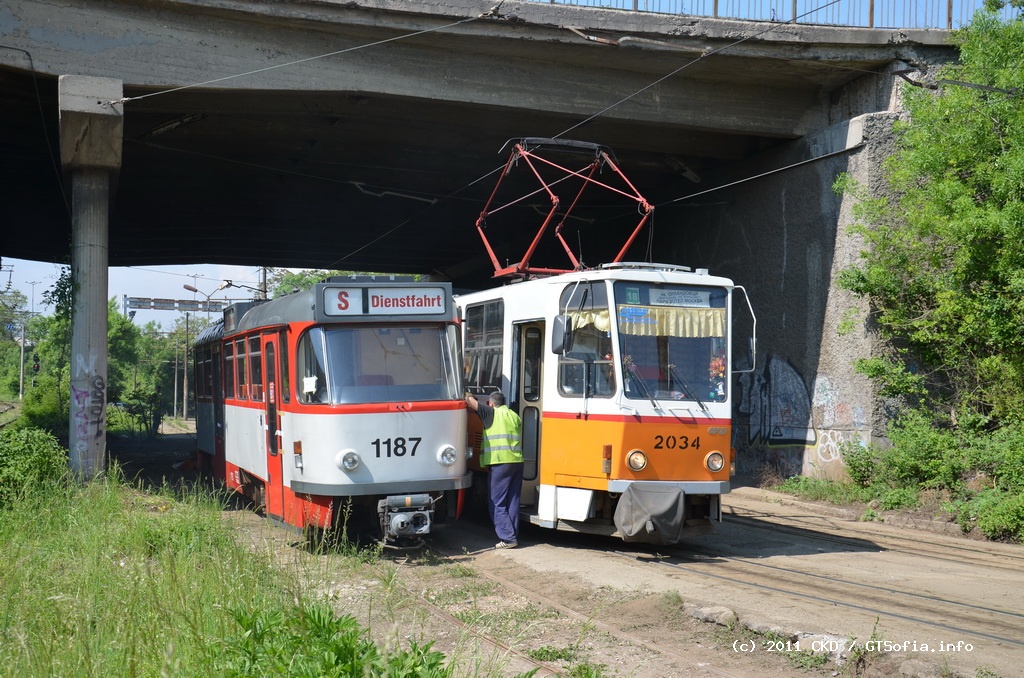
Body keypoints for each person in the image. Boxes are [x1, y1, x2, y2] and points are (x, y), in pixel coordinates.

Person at [466, 390, 524, 549]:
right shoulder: (514, 415)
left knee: (496, 502)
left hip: (500, 463)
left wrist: (467, 393)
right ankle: (512, 535)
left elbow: (470, 401)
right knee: (512, 501)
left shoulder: (491, 413)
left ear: (491, 403)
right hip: (517, 462)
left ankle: (508, 538)